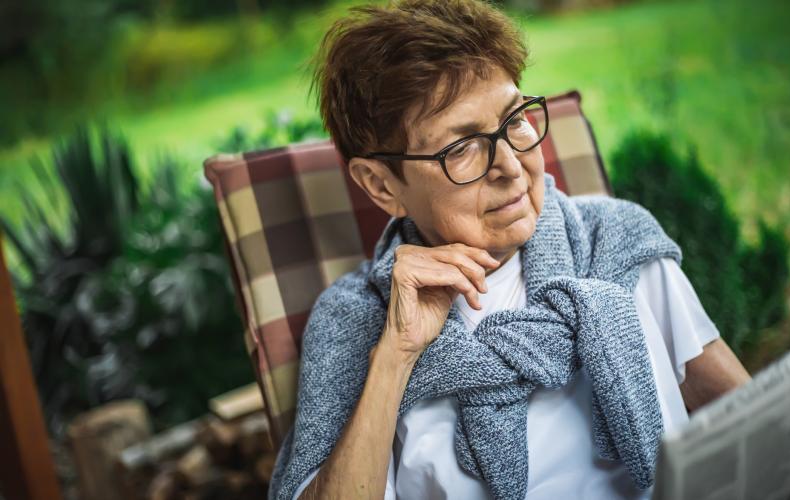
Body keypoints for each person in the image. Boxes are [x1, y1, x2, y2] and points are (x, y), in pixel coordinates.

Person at [267, 1, 752, 498]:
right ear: (382, 185)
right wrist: (395, 357)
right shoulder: (357, 321)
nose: (512, 169)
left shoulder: (615, 240)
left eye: (515, 118)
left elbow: (748, 422)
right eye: (461, 148)